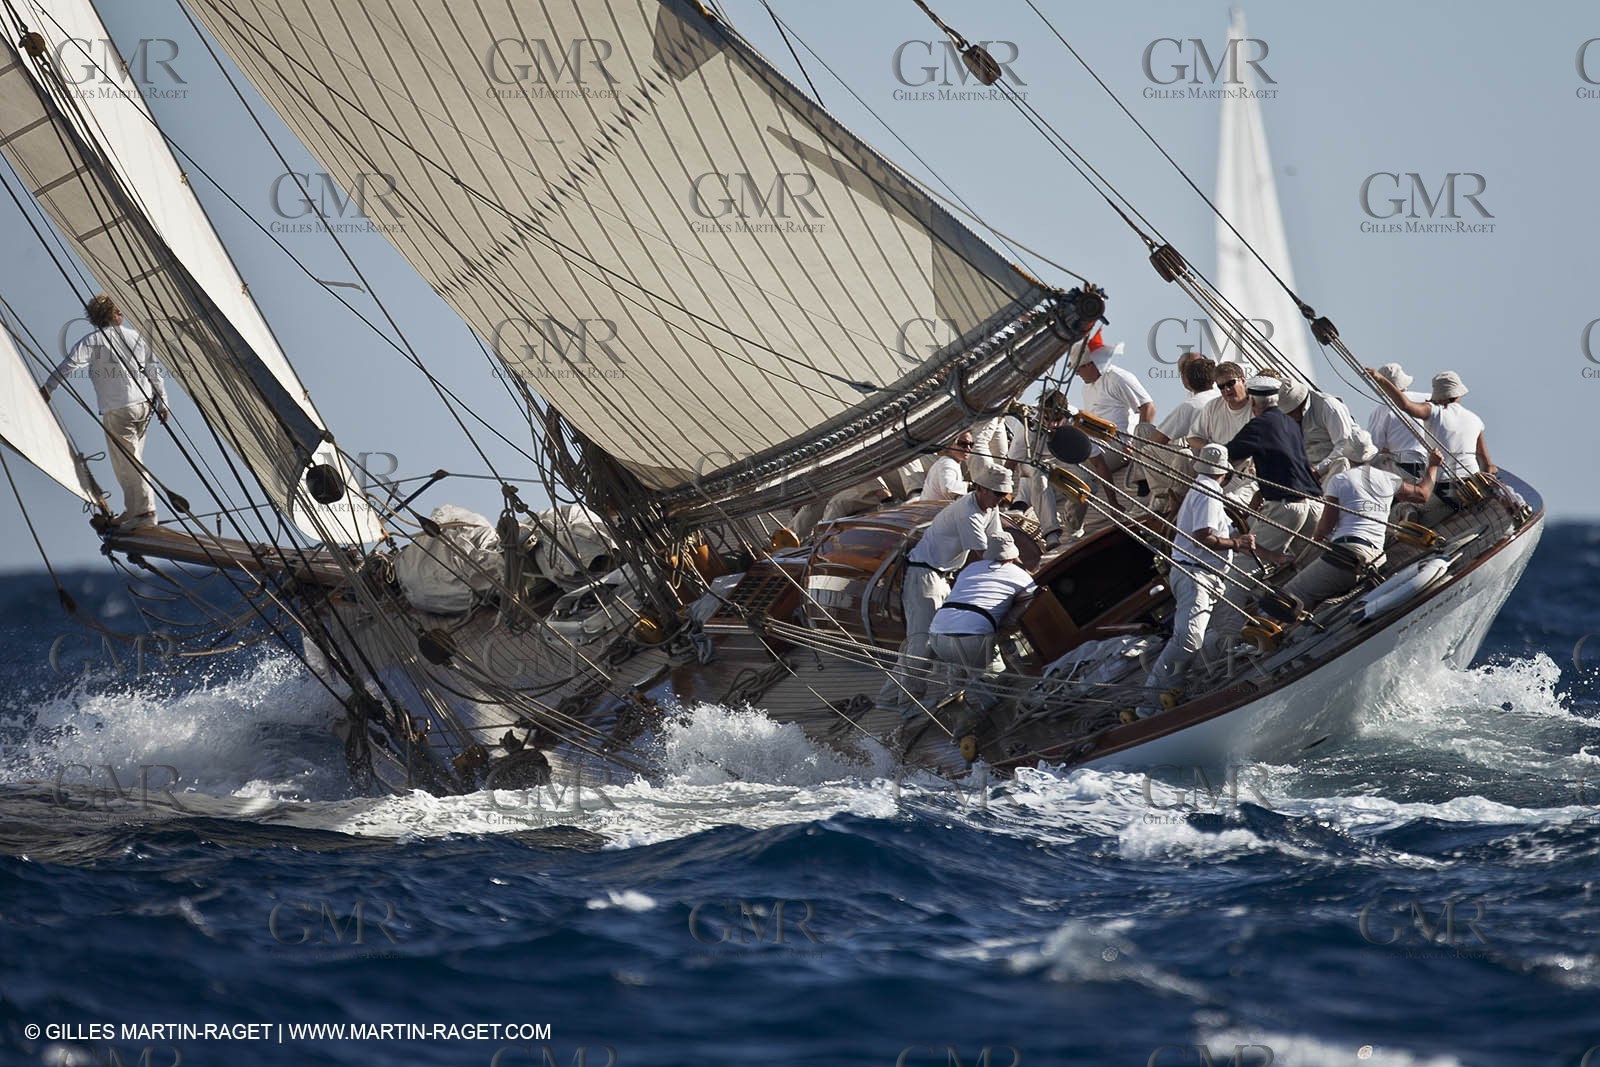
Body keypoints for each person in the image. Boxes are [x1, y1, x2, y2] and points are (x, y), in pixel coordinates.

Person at [878, 466, 1012, 715]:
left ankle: (889, 697)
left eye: (1004, 495)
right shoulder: (967, 512)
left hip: (943, 575)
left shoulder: (988, 508)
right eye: (997, 493)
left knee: (929, 640)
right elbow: (984, 556)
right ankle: (907, 703)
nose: (1001, 499)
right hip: (924, 575)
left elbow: (999, 543)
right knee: (923, 642)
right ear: (980, 488)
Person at [1138, 444, 1254, 716]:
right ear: (1225, 471)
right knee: (1189, 638)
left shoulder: (1204, 490)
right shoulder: (1209, 493)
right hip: (1196, 574)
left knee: (1211, 632)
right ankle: (1150, 701)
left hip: (1205, 576)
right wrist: (1237, 543)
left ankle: (1190, 683)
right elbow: (1204, 536)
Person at [40, 293, 169, 527]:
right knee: (129, 460)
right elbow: (154, 372)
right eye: (119, 311)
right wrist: (164, 402)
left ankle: (146, 513)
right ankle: (134, 511)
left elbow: (69, 364)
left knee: (127, 462)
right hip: (144, 408)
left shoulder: (92, 341)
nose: (122, 314)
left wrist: (48, 388)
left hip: (119, 410)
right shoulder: (136, 336)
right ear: (113, 315)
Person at [1283, 450, 1442, 612]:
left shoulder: (1339, 480)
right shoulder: (1388, 478)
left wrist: (1303, 556)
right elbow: (1423, 494)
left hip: (1347, 556)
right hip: (1376, 557)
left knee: (1289, 596)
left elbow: (1324, 529)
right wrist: (1433, 465)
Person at [927, 532, 1037, 711]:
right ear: (1012, 556)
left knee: (958, 665)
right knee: (1000, 679)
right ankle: (985, 690)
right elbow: (1032, 604)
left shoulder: (971, 568)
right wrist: (1004, 623)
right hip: (974, 639)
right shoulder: (1020, 575)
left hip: (938, 636)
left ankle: (955, 700)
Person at [1225, 377, 1324, 565]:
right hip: (1313, 504)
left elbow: (1226, 455)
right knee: (1313, 566)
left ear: (1252, 401)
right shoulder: (1290, 421)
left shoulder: (1259, 426)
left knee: (1245, 568)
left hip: (1287, 507)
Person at [1073, 333, 1156, 523]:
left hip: (1119, 444)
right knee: (1061, 467)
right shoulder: (1087, 388)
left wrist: (1137, 445)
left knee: (1084, 462)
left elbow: (1148, 407)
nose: (1077, 374)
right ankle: (1071, 525)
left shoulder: (1117, 377)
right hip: (1097, 443)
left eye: (1078, 369)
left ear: (1089, 364)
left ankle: (1112, 504)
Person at [1276, 378, 1376, 485]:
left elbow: (1344, 445)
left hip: (1341, 467)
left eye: (1290, 413)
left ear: (1299, 405)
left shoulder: (1327, 405)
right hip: (1312, 472)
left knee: (1341, 463)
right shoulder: (1288, 419)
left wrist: (1318, 471)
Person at [1364, 363, 1429, 480]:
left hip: (1406, 468)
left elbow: (1374, 447)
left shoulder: (1381, 411)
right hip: (1432, 465)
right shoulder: (1428, 399)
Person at [920, 432, 973, 502]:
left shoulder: (952, 462)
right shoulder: (947, 462)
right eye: (963, 444)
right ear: (950, 444)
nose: (968, 449)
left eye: (971, 445)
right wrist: (969, 486)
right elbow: (948, 488)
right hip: (933, 511)